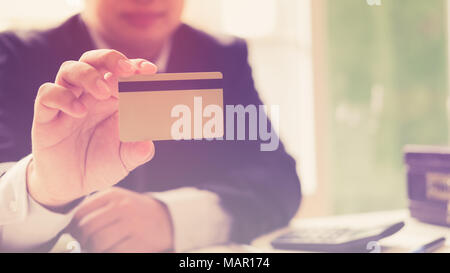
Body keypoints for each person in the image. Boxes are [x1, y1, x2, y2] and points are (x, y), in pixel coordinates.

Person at [0, 0, 301, 252]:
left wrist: (171, 218)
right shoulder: (14, 56)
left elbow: (279, 178)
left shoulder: (223, 56)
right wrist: (45, 190)